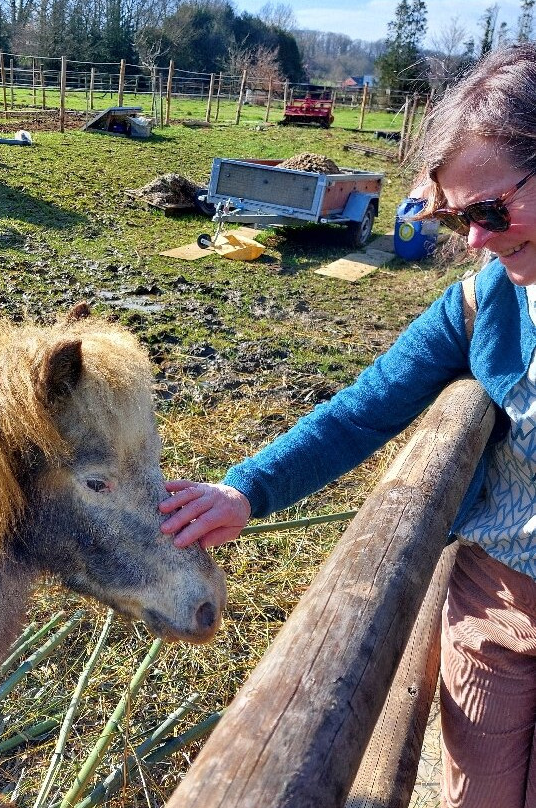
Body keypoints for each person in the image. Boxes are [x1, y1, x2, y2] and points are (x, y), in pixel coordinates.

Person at [160, 43, 536, 808]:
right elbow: (362, 408)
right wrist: (245, 490)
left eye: (491, 210)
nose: (474, 240)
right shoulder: (484, 302)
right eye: (458, 217)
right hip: (497, 604)